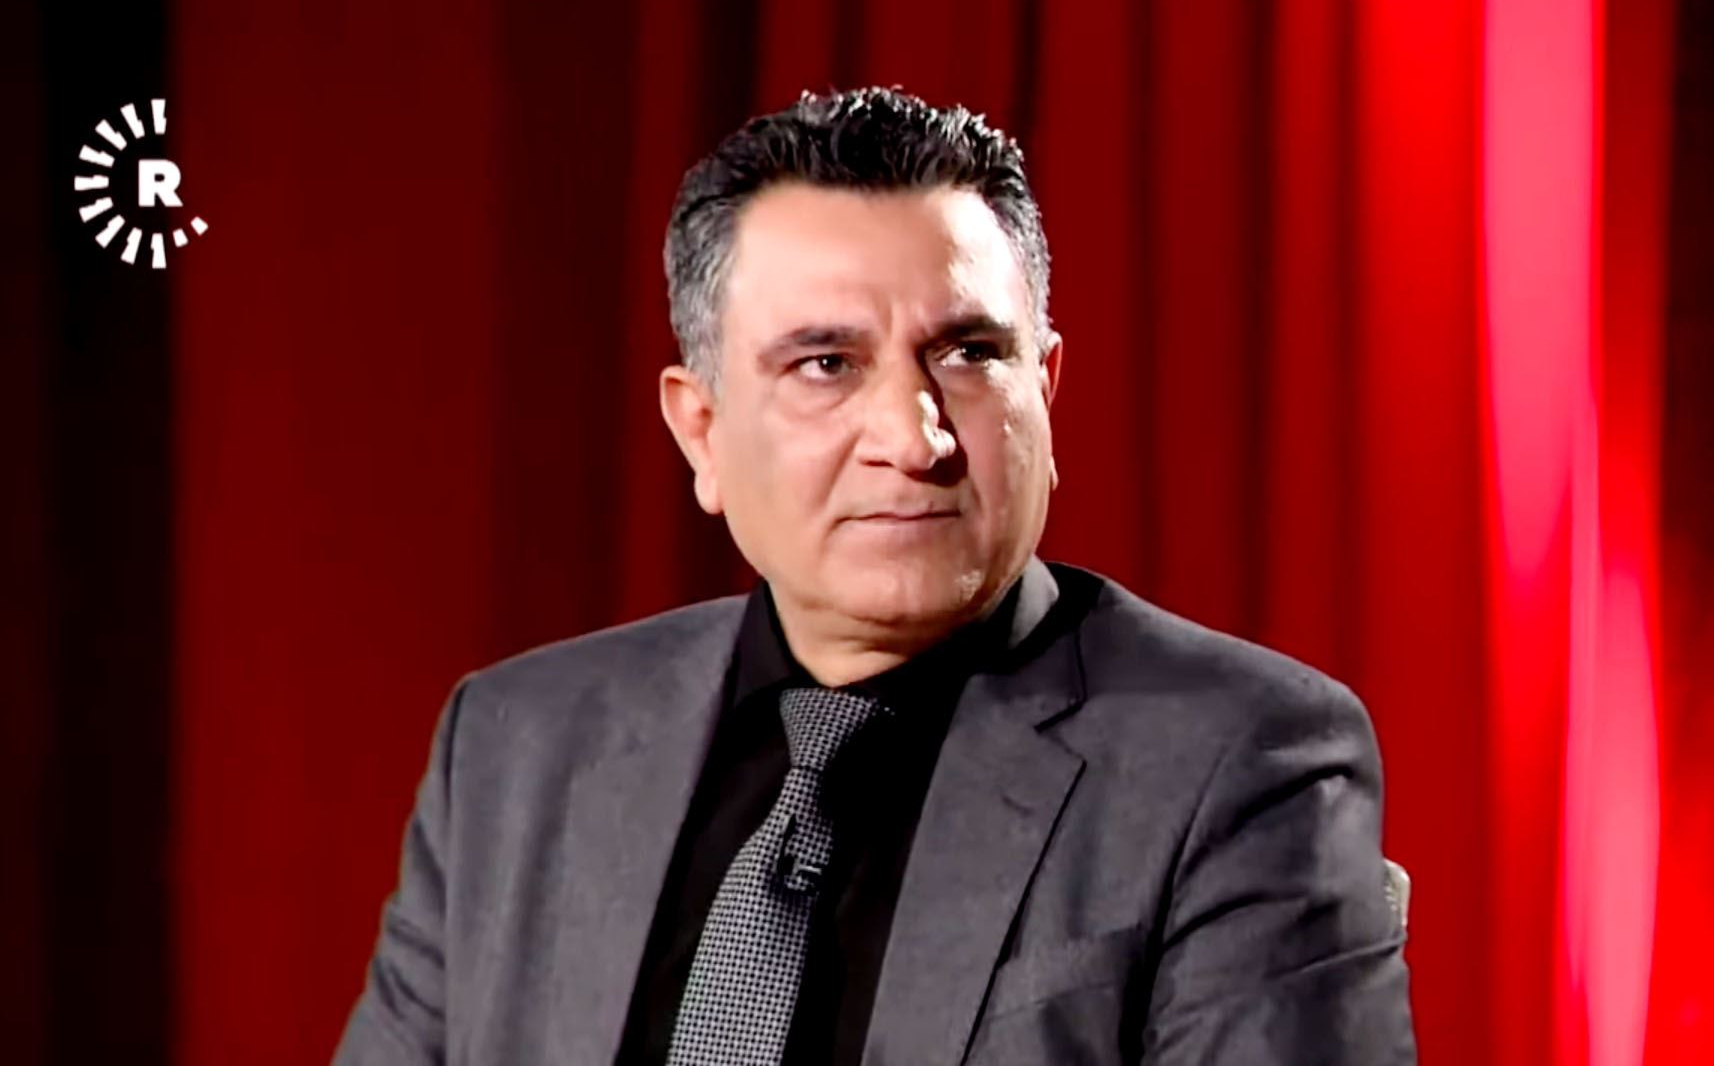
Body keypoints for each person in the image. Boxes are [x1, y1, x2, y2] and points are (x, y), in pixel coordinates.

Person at [334, 87, 1416, 1065]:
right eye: (827, 364)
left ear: (1044, 392)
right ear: (701, 430)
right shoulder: (516, 744)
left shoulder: (1241, 761)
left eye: (970, 355)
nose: (915, 437)